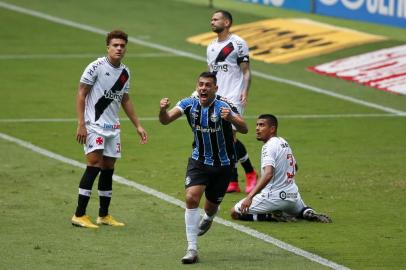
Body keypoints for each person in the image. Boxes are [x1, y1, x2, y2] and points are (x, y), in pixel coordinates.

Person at [159, 72, 248, 264]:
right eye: (200, 84)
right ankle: (192, 249)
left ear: (215, 88)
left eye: (208, 85)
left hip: (223, 165)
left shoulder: (224, 106)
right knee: (191, 197)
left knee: (210, 207)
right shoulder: (188, 104)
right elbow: (165, 120)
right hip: (199, 161)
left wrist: (232, 117)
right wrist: (162, 110)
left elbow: (244, 128)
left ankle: (208, 217)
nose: (203, 88)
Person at [71, 30, 148, 229]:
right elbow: (81, 94)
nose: (119, 48)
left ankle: (103, 215)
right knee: (94, 164)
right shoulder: (95, 67)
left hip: (113, 127)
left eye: (122, 46)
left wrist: (138, 125)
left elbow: (125, 99)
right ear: (108, 47)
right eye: (115, 45)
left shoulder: (125, 73)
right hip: (94, 124)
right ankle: (79, 214)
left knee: (108, 168)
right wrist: (81, 123)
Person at [230, 114, 332, 223]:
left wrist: (250, 197)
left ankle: (272, 217)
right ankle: (306, 212)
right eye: (257, 125)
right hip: (292, 196)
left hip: (274, 197)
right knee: (299, 210)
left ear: (272, 129)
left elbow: (268, 174)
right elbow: (295, 167)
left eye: (262, 125)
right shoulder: (283, 142)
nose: (257, 128)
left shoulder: (268, 146)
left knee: (235, 212)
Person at [207, 10, 257, 193]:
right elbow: (212, 74)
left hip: (235, 95)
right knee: (225, 139)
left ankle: (250, 172)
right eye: (211, 19)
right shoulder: (211, 46)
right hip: (218, 96)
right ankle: (234, 181)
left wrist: (245, 91)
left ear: (226, 22)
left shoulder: (238, 43)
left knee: (231, 136)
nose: (212, 22)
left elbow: (246, 71)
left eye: (216, 19)